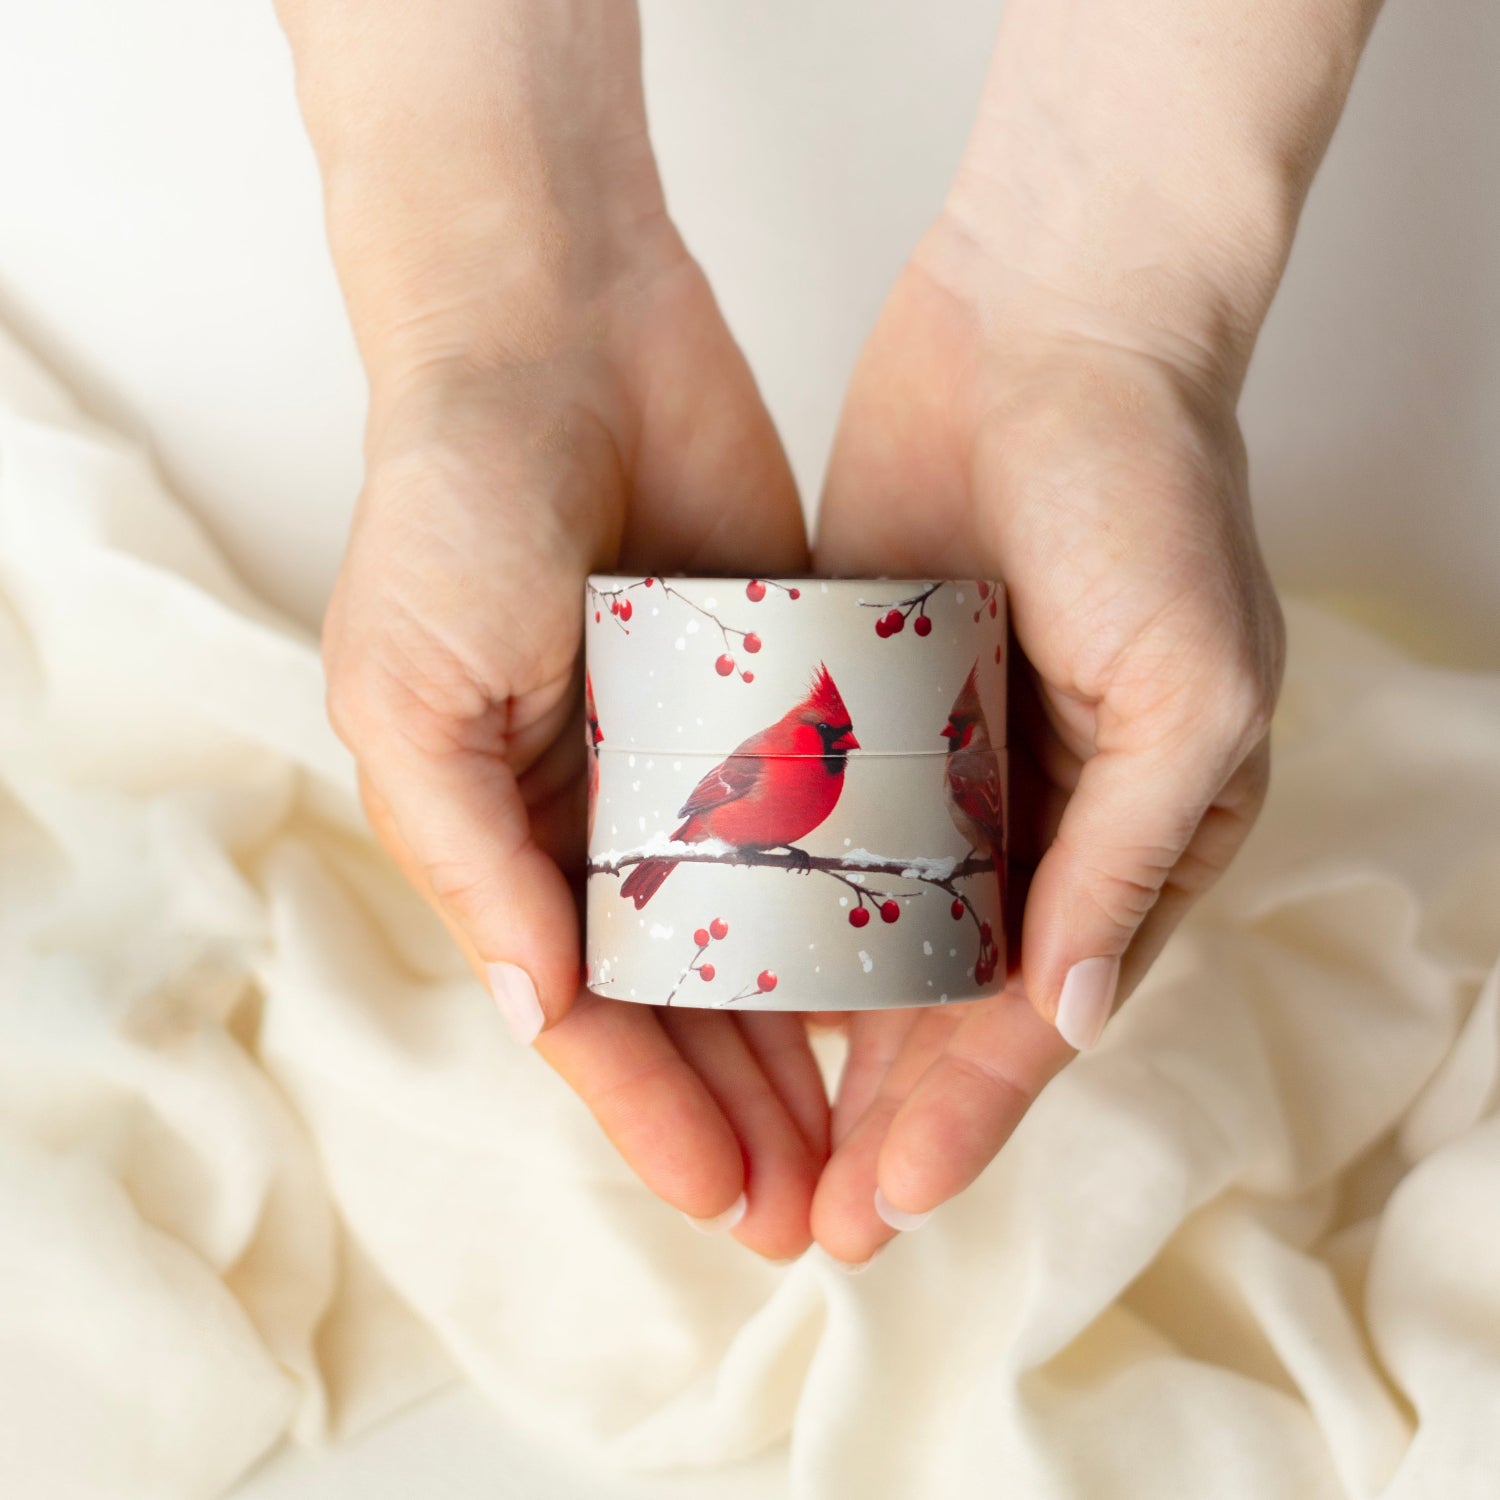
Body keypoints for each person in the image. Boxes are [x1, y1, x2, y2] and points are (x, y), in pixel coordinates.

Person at [274, 0, 1381, 1268]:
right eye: (832, 734)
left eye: (845, 737)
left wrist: (1108, 317)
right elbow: (730, 795)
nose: (842, 749)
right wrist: (494, 321)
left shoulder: (841, 756)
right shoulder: (768, 755)